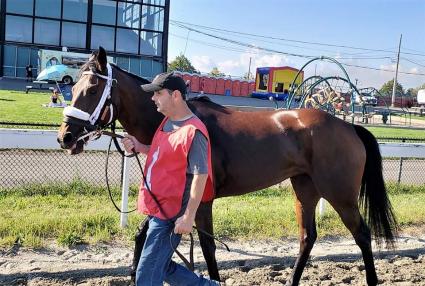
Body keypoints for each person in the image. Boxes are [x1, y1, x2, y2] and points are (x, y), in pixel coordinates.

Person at [121, 72, 219, 286]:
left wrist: (188, 216)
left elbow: (200, 176)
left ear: (175, 95)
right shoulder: (167, 122)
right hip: (159, 207)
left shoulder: (194, 132)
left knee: (146, 274)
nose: (153, 98)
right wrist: (139, 147)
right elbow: (162, 151)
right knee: (161, 265)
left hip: (171, 213)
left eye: (158, 93)